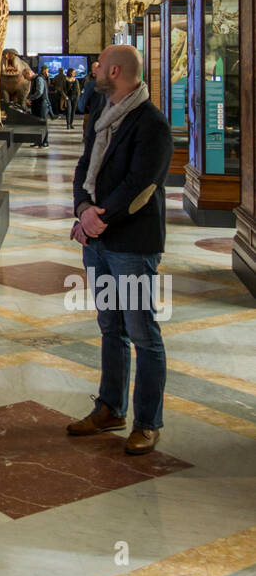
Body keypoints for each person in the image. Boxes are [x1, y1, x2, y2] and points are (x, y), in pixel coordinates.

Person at [67, 45, 173, 455]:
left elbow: (140, 187)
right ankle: (111, 408)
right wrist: (82, 209)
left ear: (114, 71)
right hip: (98, 243)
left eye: (100, 64)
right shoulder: (102, 111)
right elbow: (84, 166)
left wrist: (98, 219)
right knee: (111, 327)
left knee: (142, 333)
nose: (94, 69)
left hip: (130, 245)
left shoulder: (152, 123)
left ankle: (148, 422)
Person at [28, 64, 52, 146]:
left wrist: (30, 98)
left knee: (42, 123)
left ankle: (45, 142)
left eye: (25, 77)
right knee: (37, 123)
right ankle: (38, 141)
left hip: (42, 104)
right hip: (37, 104)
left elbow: (39, 92)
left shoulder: (39, 78)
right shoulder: (37, 79)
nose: (25, 79)